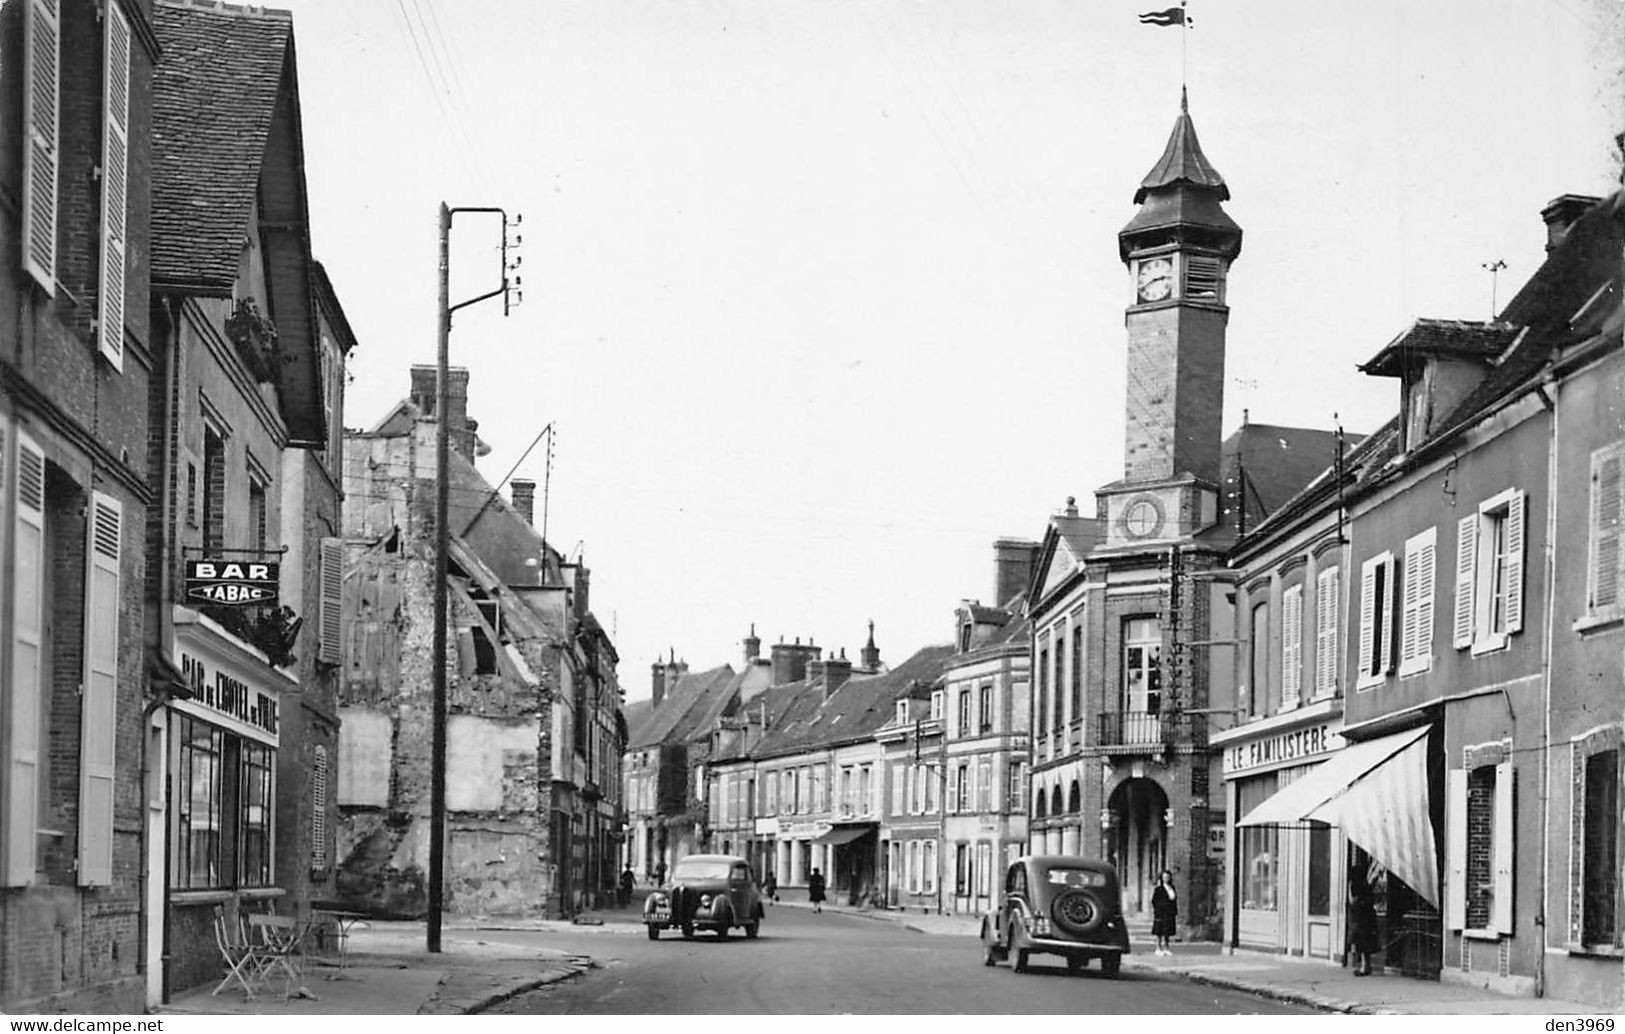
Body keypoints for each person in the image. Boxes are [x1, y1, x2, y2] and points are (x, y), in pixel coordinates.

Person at [1347, 868, 1378, 976]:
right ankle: (1366, 966)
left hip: (1359, 918)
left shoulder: (1355, 885)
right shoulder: (1365, 885)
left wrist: (1349, 890)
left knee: (1361, 943)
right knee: (1365, 943)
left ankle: (1364, 967)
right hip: (1366, 917)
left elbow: (1353, 901)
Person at [1150, 869, 1178, 956]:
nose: (1166, 879)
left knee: (1167, 932)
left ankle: (1167, 948)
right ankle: (1158, 948)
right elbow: (1154, 900)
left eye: (1168, 877)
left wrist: (1174, 910)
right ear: (1162, 878)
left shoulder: (1172, 888)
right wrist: (1160, 908)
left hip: (1169, 913)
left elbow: (1174, 899)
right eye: (1164, 877)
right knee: (1159, 931)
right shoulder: (1159, 889)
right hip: (1161, 913)